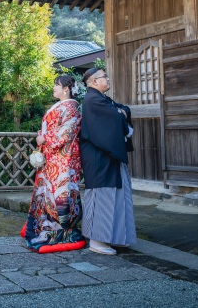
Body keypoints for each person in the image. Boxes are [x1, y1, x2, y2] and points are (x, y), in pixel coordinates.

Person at [23, 74, 85, 253]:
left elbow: (66, 133)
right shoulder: (62, 106)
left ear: (66, 89)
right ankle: (45, 226)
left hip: (63, 159)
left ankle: (62, 230)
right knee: (47, 192)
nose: (54, 88)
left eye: (56, 85)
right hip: (52, 156)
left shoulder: (72, 108)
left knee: (60, 193)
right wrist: (43, 136)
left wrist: (45, 137)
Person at [78, 67, 136, 255]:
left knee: (117, 196)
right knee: (102, 197)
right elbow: (116, 116)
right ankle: (97, 240)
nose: (108, 79)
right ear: (94, 81)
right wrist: (120, 114)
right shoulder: (92, 101)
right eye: (104, 77)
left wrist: (120, 113)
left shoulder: (101, 99)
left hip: (108, 156)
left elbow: (122, 110)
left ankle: (115, 237)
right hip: (99, 158)